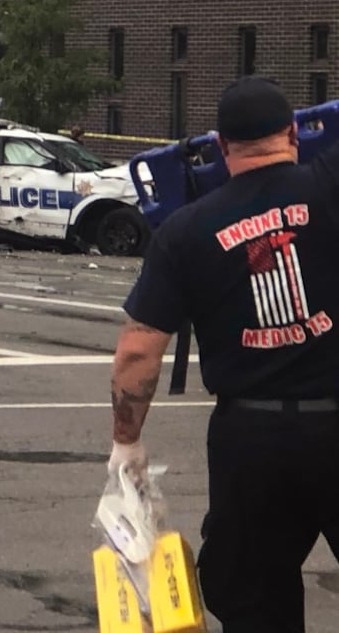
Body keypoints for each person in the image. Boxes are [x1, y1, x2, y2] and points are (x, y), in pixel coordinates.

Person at [109, 76, 339, 633]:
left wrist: (126, 443)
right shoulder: (330, 184)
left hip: (250, 439)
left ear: (219, 145)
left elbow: (139, 350)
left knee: (253, 597)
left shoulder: (186, 230)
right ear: (293, 133)